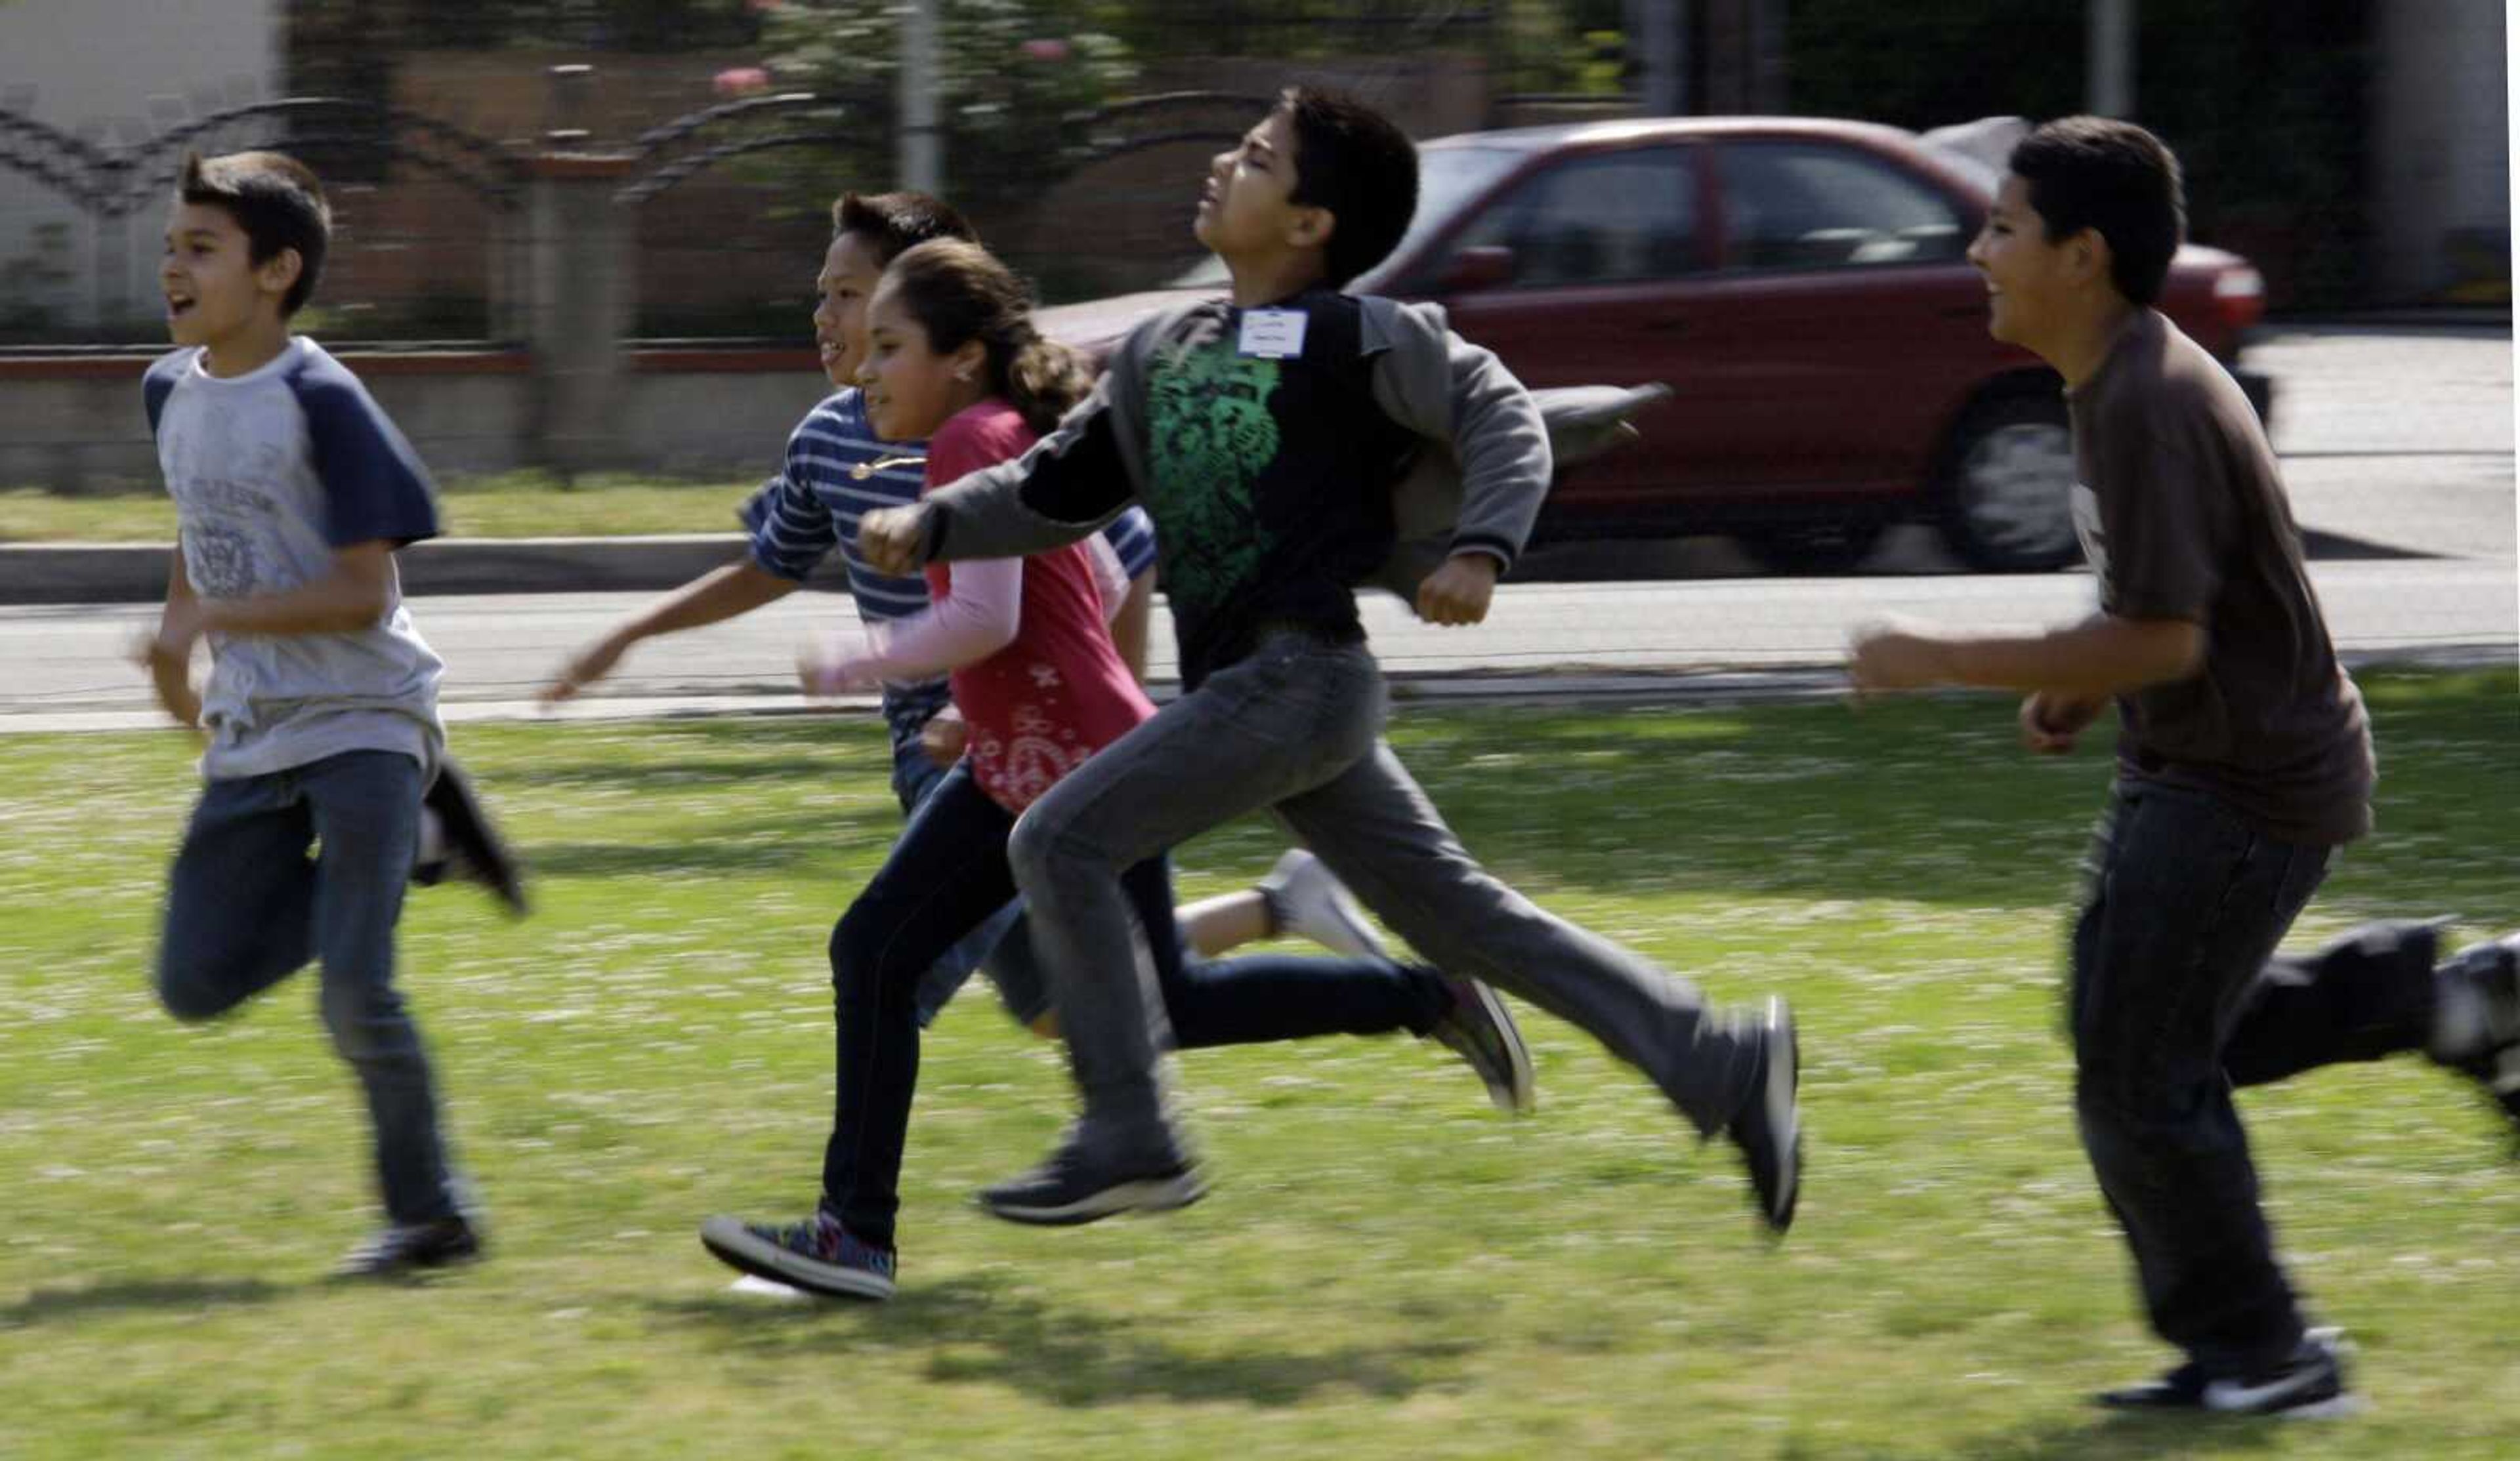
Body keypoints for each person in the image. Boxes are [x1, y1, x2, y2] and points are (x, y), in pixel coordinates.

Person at [860, 87, 1803, 1234]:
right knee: (1465, 923)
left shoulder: (1361, 337)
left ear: (1310, 225)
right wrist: (942, 522)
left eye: (1258, 158)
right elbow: (1056, 489)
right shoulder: (1166, 349)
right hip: (1264, 702)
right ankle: (1721, 1061)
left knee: (1057, 840)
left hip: (1300, 677)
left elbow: (1498, 410)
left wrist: (1483, 548)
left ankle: (1132, 1135)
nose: (1225, 162)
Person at [700, 239, 1530, 1299]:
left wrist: (860, 662)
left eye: (889, 346)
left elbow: (981, 613)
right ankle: (1423, 998)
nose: (864, 370)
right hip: (1038, 757)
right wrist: (991, 705)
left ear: (959, 359)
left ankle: (854, 1234)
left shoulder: (969, 442)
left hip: (1073, 770)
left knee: (929, 964)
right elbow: (1087, 567)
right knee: (979, 972)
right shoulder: (1005, 434)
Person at [1846, 115, 2520, 1418]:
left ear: (2082, 254)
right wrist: (2077, 684)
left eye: (2001, 227)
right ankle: (2452, 1003)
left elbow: (2166, 632)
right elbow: (2156, 614)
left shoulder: (2148, 399)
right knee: (2156, 1038)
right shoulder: (2120, 379)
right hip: (2213, 768)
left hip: (2243, 787)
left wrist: (1940, 653)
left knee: (2137, 1069)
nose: (1976, 250)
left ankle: (2269, 1353)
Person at [539, 190, 1390, 1036]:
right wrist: (631, 634)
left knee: (904, 978)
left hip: (1023, 753)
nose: (824, 315)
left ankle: (871, 1165)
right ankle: (1285, 912)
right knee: (1056, 1002)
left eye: (848, 294)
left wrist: (1099, 734)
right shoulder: (829, 438)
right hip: (933, 757)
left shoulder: (1008, 431)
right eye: (822, 292)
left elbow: (1121, 563)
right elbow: (769, 566)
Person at [135, 150, 523, 1278]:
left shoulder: (322, 396)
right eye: (171, 245)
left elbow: (364, 589)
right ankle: (420, 850)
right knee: (192, 983)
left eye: (201, 248)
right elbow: (202, 531)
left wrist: (211, 621)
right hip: (254, 736)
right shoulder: (170, 389)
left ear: (277, 270)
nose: (173, 266)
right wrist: (180, 663)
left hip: (364, 721)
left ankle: (432, 1219)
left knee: (357, 992)